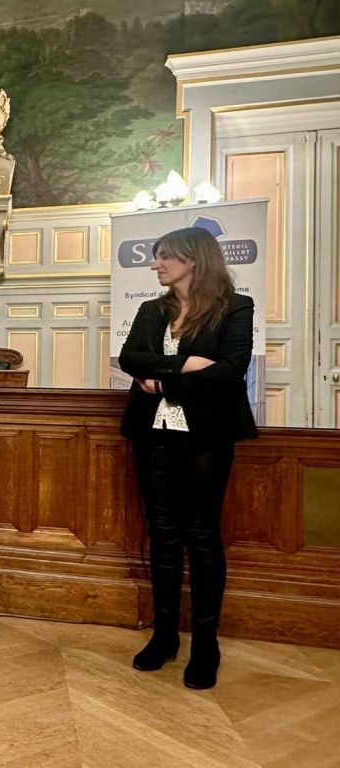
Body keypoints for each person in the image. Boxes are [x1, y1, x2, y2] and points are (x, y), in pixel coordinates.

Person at [119, 226, 257, 690]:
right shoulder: (151, 309)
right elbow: (130, 358)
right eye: (155, 256)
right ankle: (164, 637)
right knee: (162, 533)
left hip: (207, 434)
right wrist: (185, 365)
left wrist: (161, 377)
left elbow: (230, 372)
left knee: (201, 535)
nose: (155, 264)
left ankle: (205, 645)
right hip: (152, 431)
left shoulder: (235, 307)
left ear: (192, 259)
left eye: (164, 256)